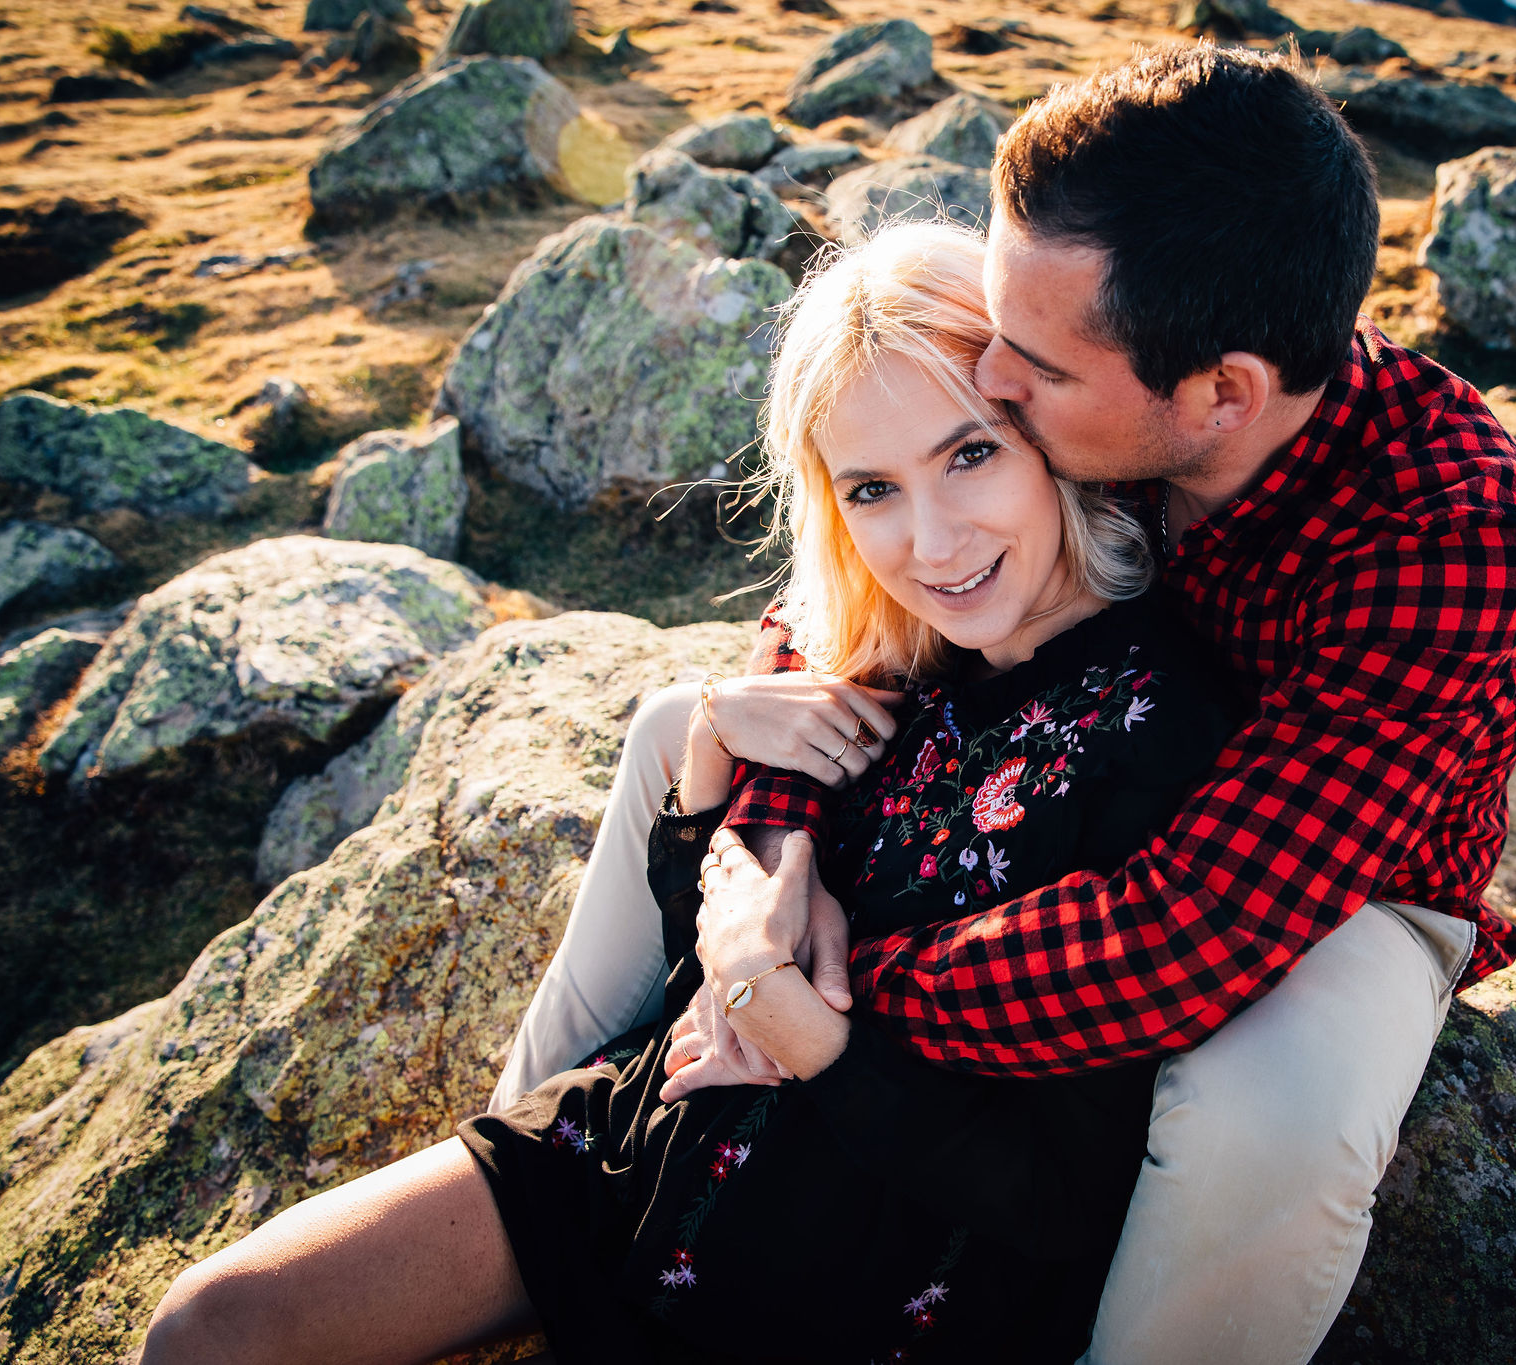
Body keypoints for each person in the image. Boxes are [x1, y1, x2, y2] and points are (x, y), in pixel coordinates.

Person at [500, 42, 1516, 1365]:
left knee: (1274, 1118)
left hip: (1334, 874)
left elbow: (1186, 933)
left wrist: (824, 1001)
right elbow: (863, 594)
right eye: (998, 326)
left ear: (1220, 398)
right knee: (676, 725)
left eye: (1031, 370)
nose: (993, 378)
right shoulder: (1117, 366)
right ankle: (554, 1143)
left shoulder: (1448, 534)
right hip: (1082, 764)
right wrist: (765, 879)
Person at [141, 222, 1247, 1364]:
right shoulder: (879, 654)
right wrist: (712, 767)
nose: (929, 542)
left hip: (855, 1290)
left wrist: (813, 1041)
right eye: (872, 488)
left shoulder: (1161, 728)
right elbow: (697, 962)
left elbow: (1064, 1197)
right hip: (630, 1159)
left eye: (969, 455)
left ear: (1048, 435)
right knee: (211, 1330)